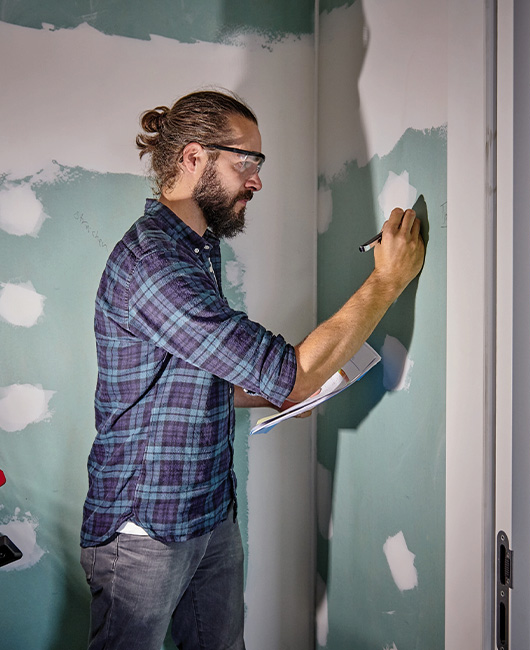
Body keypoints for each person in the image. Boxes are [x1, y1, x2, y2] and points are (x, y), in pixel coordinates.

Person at [80, 88, 425, 650]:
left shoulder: (196, 248)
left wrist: (273, 391)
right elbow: (290, 373)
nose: (257, 181)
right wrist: (386, 281)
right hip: (144, 526)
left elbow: (192, 375)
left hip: (210, 509)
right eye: (247, 162)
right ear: (193, 159)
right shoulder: (154, 264)